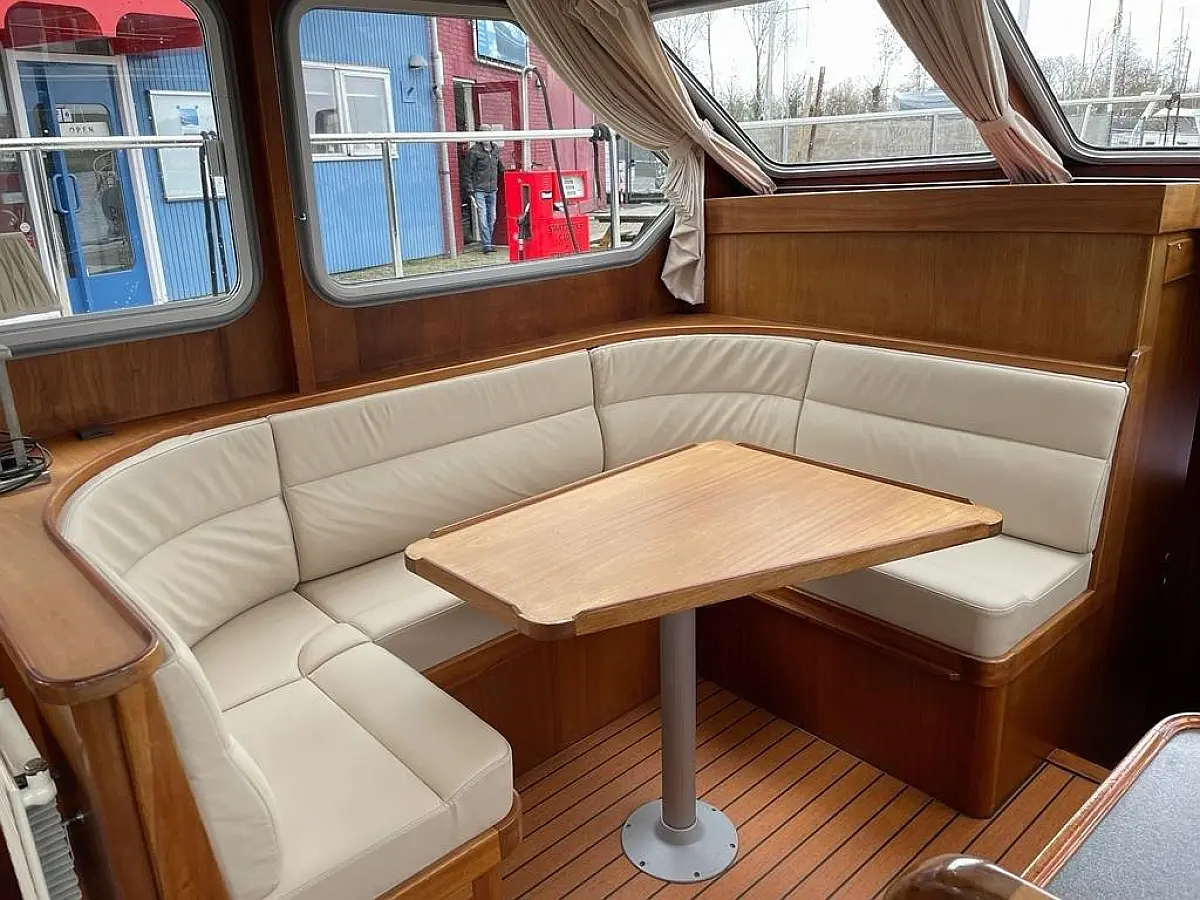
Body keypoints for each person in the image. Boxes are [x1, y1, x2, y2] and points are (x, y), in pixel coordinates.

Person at [463, 124, 505, 254]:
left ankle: (488, 242)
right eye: (483, 133)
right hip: (479, 189)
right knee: (482, 217)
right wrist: (470, 190)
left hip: (492, 189)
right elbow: (467, 172)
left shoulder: (495, 149)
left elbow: (499, 167)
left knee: (492, 217)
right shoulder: (474, 151)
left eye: (488, 133)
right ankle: (487, 245)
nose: (486, 136)